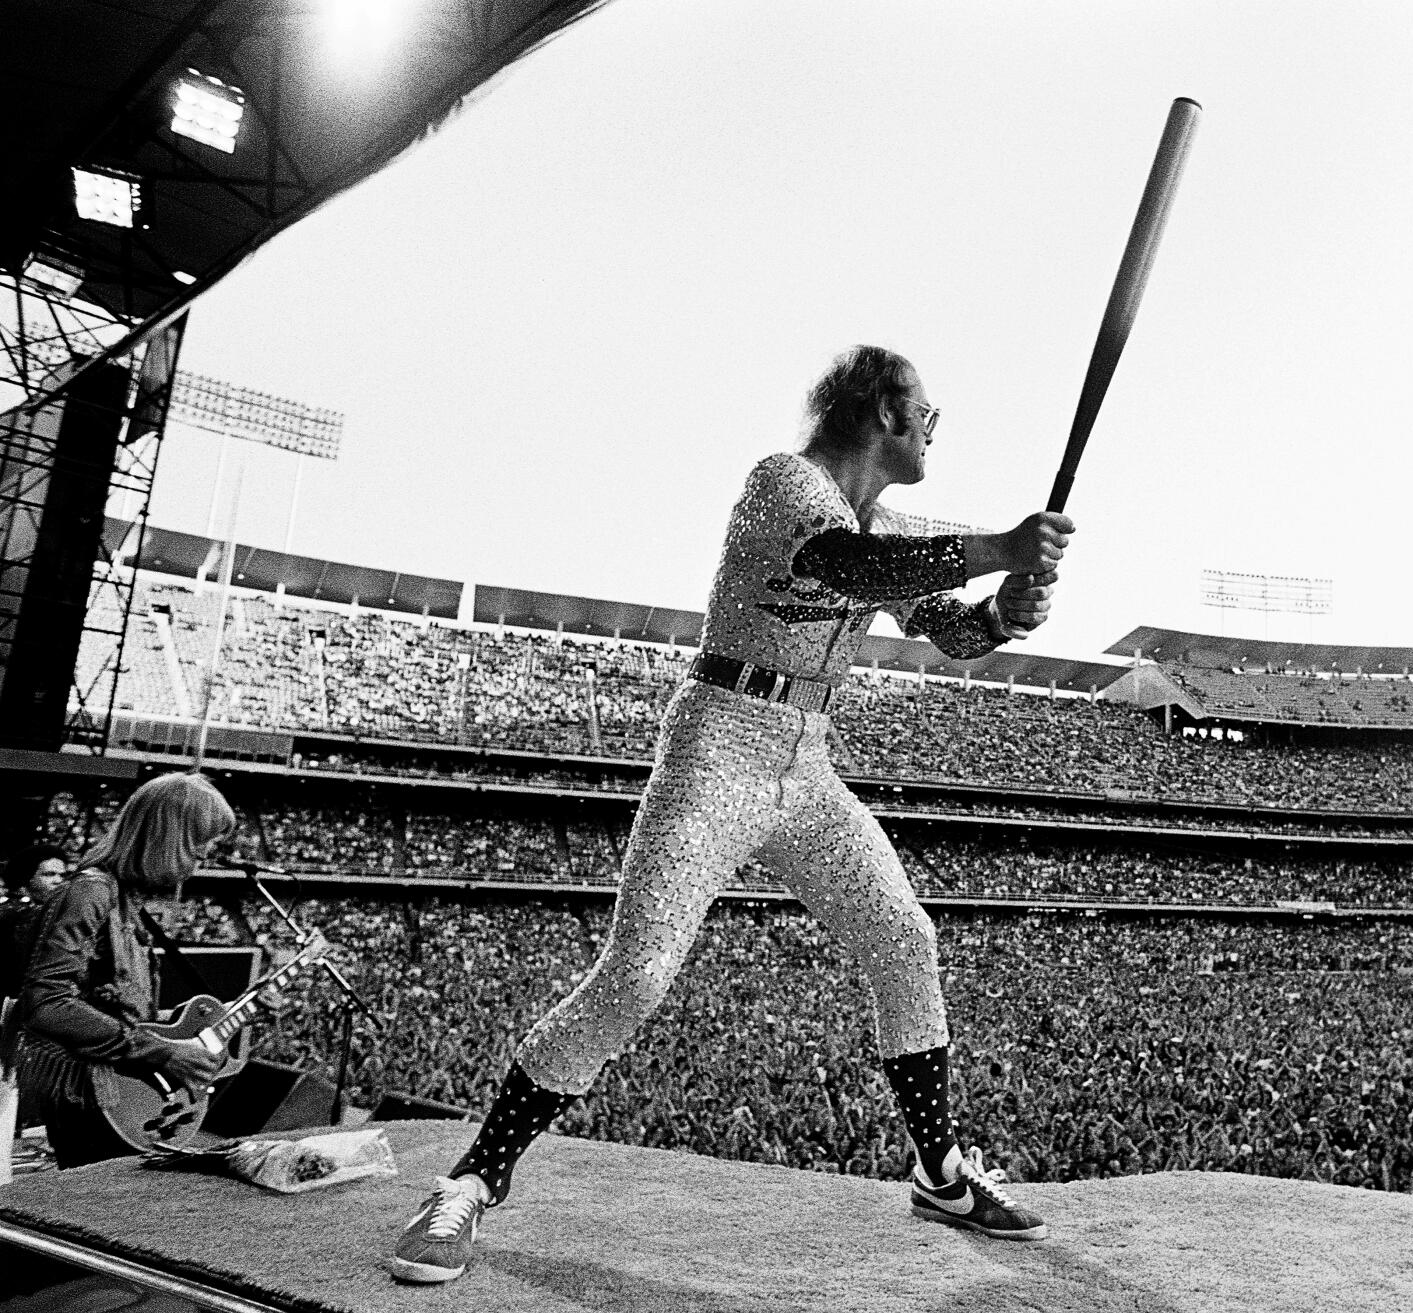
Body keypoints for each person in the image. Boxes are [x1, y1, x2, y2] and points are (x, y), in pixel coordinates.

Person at [391, 345, 1073, 1283]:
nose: (935, 430)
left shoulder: (892, 521)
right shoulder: (784, 483)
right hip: (720, 743)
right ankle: (470, 1178)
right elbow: (852, 567)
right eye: (928, 412)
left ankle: (940, 1171)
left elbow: (952, 634)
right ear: (882, 411)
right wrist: (999, 546)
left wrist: (1005, 612)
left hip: (807, 758)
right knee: (635, 975)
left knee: (905, 938)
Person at [0, 774, 233, 1169]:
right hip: (84, 1092)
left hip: (106, 1088)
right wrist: (161, 1052)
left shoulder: (126, 900)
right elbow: (48, 1003)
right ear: (169, 838)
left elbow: (112, 1005)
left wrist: (175, 1033)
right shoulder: (91, 893)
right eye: (199, 843)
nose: (204, 856)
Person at [2, 843, 71, 1003]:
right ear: (27, 877)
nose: (58, 881)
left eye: (62, 875)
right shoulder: (15, 913)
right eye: (49, 874)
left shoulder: (53, 912)